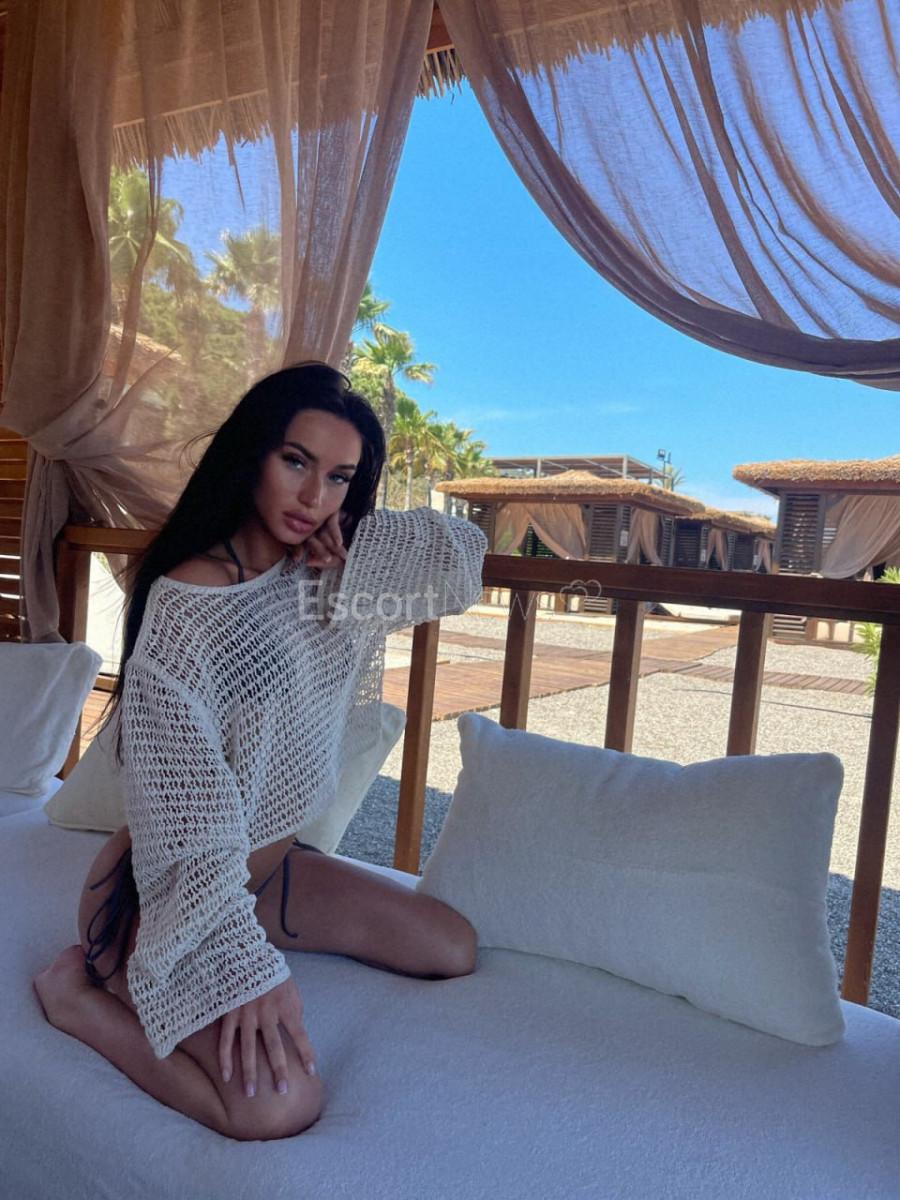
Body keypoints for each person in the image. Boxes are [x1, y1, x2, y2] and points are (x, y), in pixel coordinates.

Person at [34, 363, 487, 1141]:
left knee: (452, 947)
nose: (314, 496)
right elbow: (192, 817)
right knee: (275, 1106)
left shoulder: (332, 573)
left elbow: (463, 557)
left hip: (272, 871)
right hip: (167, 889)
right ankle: (74, 1001)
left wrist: (360, 538)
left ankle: (222, 946)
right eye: (296, 461)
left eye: (339, 477)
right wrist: (248, 971)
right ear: (252, 455)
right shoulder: (188, 601)